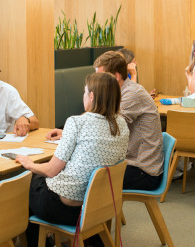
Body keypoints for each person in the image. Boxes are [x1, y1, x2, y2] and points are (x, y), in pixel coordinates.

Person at [16, 72, 129, 247]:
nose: (83, 96)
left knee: (25, 186)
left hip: (68, 207)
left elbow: (52, 170)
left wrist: (29, 164)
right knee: (37, 182)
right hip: (97, 205)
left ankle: (42, 242)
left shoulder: (77, 122)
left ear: (91, 96)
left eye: (85, 92)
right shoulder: (121, 123)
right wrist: (68, 135)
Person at [94, 51, 164, 191]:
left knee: (90, 180)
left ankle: (92, 212)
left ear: (116, 76)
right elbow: (98, 121)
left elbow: (110, 127)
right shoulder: (117, 92)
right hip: (129, 162)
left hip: (143, 170)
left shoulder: (132, 93)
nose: (97, 82)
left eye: (100, 76)